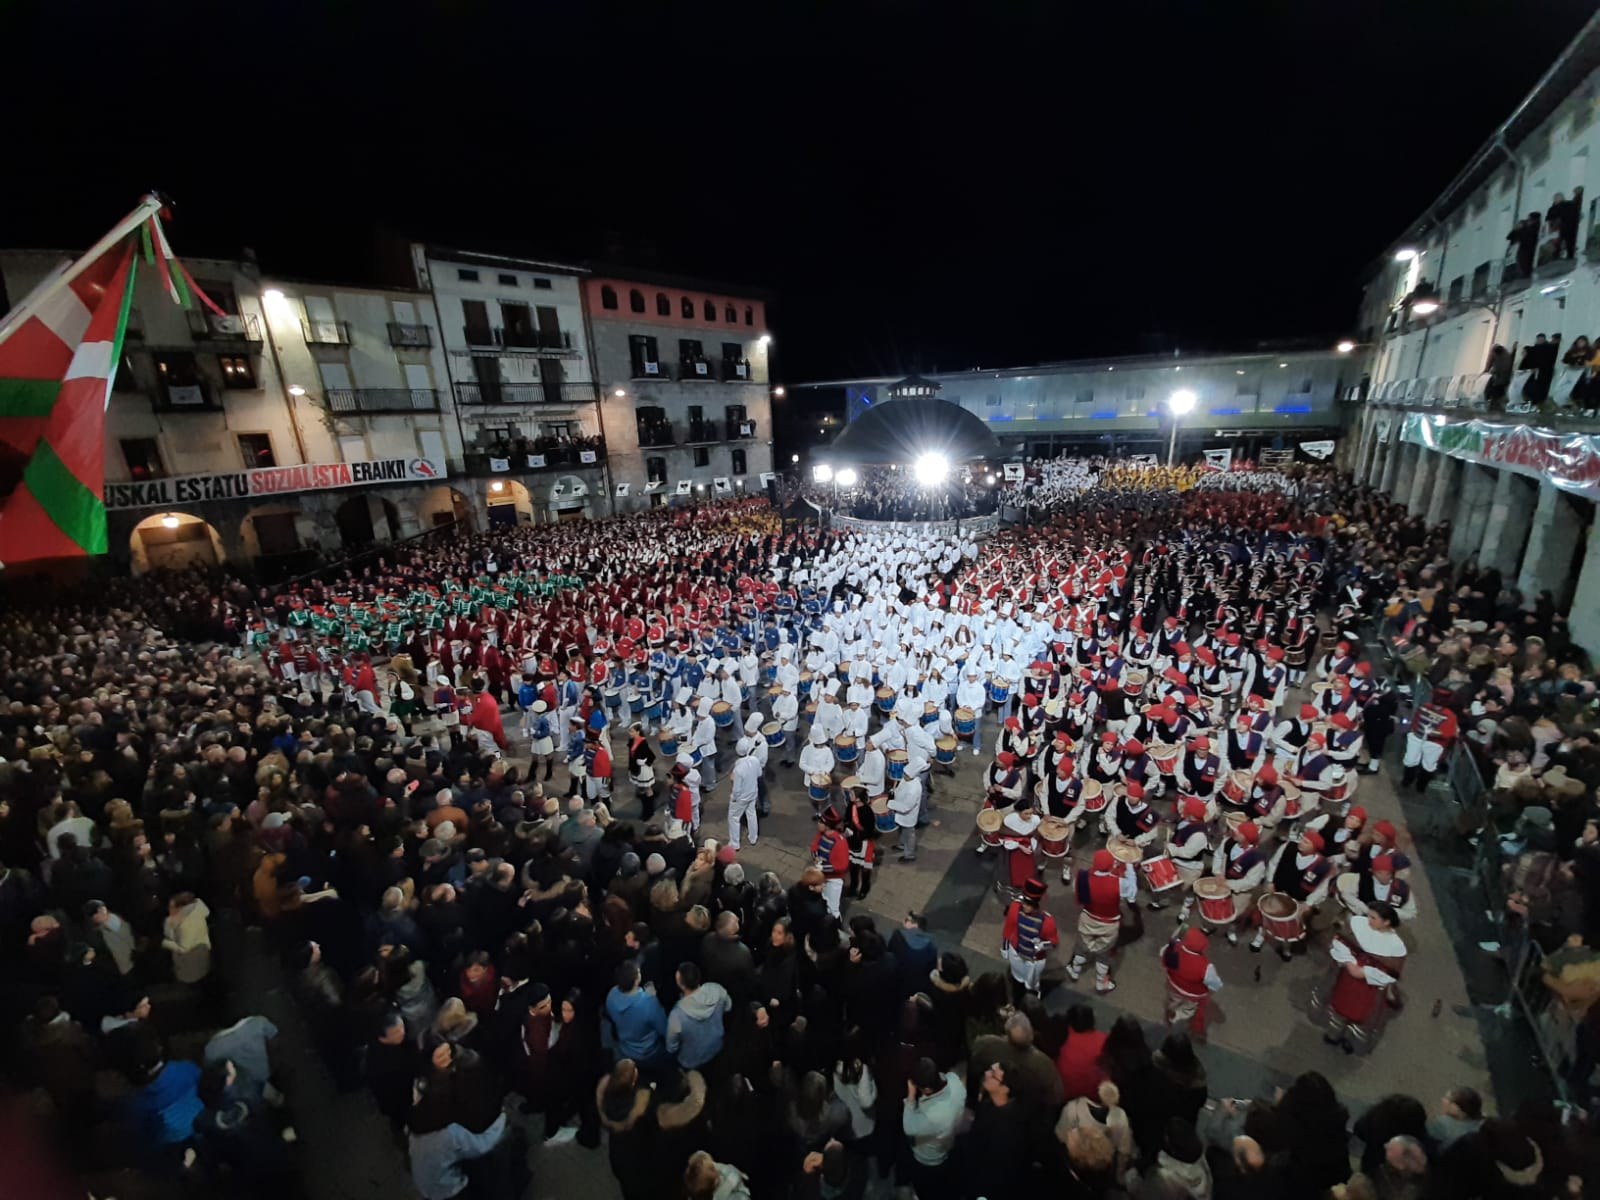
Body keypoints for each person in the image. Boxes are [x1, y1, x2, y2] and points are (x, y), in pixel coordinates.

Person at [1067, 849, 1135, 993]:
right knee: (1104, 954)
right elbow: (1132, 894)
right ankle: (1100, 983)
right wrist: (1129, 867)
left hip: (1087, 918)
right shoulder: (1119, 883)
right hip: (1109, 925)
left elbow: (1076, 891)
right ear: (1111, 866)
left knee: (1082, 946)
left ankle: (1075, 971)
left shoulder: (1082, 877)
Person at [901, 1056, 965, 1200]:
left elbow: (909, 1128)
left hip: (928, 1159)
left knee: (927, 1190)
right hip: (947, 1146)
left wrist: (911, 1097)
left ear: (927, 1088)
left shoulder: (935, 1114)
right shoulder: (954, 1081)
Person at [1000, 876, 1059, 999]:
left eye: (1029, 904)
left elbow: (1053, 942)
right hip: (1016, 951)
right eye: (1024, 902)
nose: (1025, 906)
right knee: (1016, 975)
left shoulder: (1047, 921)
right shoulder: (1015, 908)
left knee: (1031, 982)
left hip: (1034, 960)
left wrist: (1043, 945)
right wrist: (1005, 947)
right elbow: (1009, 928)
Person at [666, 961, 732, 1071]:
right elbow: (728, 1007)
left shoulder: (676, 1016)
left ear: (681, 985)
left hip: (691, 1061)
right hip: (717, 1047)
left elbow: (671, 1047)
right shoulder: (717, 990)